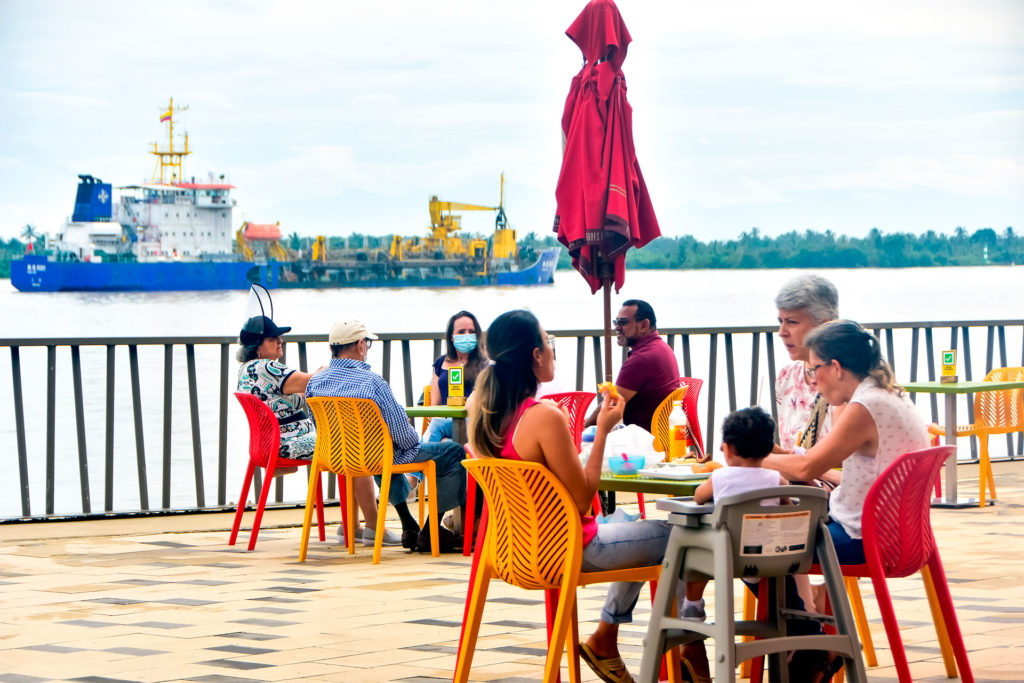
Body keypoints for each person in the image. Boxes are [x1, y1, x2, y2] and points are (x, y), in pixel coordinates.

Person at [468, 310, 680, 683]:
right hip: (570, 550)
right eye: (549, 342)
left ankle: (606, 638)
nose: (552, 351)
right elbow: (582, 499)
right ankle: (684, 654)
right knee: (680, 537)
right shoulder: (543, 417)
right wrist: (602, 430)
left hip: (515, 552)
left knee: (623, 521)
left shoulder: (481, 410)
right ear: (535, 355)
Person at [763, 320, 929, 681]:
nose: (812, 381)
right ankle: (808, 642)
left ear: (836, 367)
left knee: (753, 546)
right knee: (772, 537)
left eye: (814, 370)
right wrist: (802, 466)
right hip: (902, 536)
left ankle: (809, 646)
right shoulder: (891, 395)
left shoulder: (863, 407)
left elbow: (808, 463)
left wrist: (750, 461)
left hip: (864, 539)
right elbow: (866, 474)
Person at [235, 315, 400, 548]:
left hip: (266, 443)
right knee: (353, 446)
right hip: (287, 442)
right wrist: (326, 370)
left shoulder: (246, 370)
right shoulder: (267, 368)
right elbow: (313, 381)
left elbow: (291, 396)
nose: (280, 341)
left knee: (345, 443)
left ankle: (350, 526)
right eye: (273, 339)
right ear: (258, 348)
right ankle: (374, 527)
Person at [306, 319, 467, 553]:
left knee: (383, 448)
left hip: (338, 458)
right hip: (377, 458)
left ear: (332, 348)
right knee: (453, 452)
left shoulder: (315, 383)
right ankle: (431, 530)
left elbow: (318, 423)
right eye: (367, 344)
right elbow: (406, 437)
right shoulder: (373, 383)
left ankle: (408, 524)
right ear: (361, 345)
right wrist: (407, 436)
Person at [683, 407, 798, 683]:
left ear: (728, 448)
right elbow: (789, 505)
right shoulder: (774, 478)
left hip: (722, 558)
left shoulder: (721, 477)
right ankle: (790, 618)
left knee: (689, 552)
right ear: (768, 449)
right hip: (767, 558)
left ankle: (692, 605)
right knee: (780, 587)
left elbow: (699, 497)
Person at [585, 299, 679, 433]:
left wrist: (583, 427)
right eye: (616, 322)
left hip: (643, 441)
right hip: (662, 435)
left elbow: (610, 405)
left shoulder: (642, 359)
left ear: (644, 325)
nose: (617, 327)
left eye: (623, 322)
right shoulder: (662, 347)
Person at [774, 274, 840, 453]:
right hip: (797, 478)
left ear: (823, 326)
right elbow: (793, 453)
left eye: (792, 322)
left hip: (832, 480)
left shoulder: (846, 378)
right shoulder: (786, 377)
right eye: (780, 322)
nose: (781, 332)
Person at [424, 310, 488, 442]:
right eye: (461, 332)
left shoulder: (485, 365)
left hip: (474, 423)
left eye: (471, 331)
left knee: (437, 427)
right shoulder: (440, 363)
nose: (467, 335)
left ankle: (413, 455)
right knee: (444, 441)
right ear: (451, 337)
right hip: (444, 423)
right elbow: (434, 405)